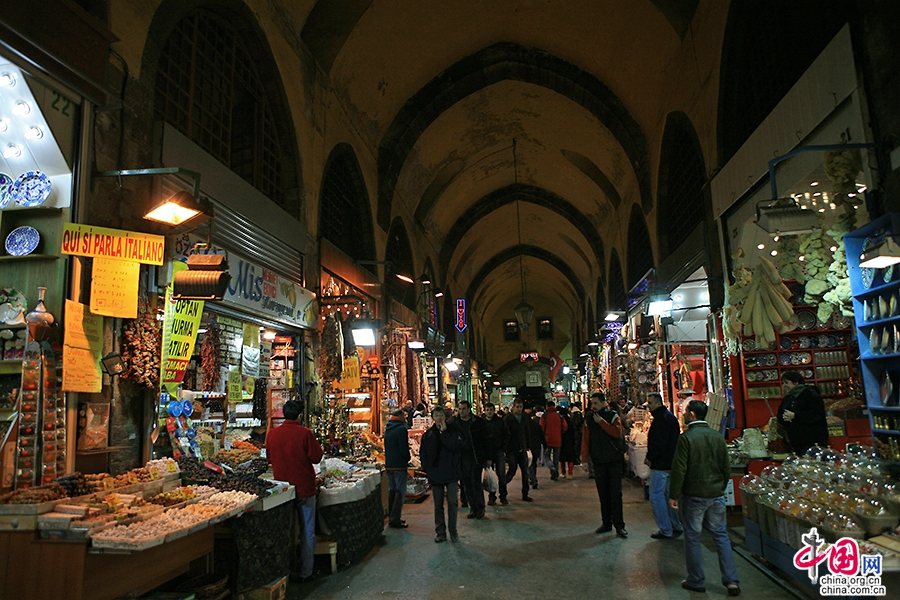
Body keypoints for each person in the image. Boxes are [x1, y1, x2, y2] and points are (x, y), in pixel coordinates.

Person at [669, 400, 741, 596]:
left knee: (692, 537)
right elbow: (726, 467)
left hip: (694, 495)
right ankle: (731, 580)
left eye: (685, 412)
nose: (683, 415)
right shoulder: (717, 437)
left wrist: (674, 494)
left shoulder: (686, 438)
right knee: (721, 535)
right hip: (716, 494)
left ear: (692, 414)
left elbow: (680, 469)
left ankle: (696, 579)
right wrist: (719, 485)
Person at [265, 400, 324, 581]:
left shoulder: (273, 435)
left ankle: (283, 570)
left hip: (283, 489)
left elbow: (269, 458)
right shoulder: (305, 434)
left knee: (285, 530)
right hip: (305, 488)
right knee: (307, 531)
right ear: (299, 415)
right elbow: (316, 457)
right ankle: (306, 572)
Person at [583, 391, 626, 538]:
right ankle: (606, 523)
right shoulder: (588, 420)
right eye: (592, 403)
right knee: (603, 494)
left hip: (614, 461)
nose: (593, 406)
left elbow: (616, 433)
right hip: (599, 461)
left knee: (615, 494)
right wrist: (584, 460)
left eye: (596, 403)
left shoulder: (612, 416)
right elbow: (586, 440)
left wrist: (600, 421)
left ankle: (619, 525)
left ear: (603, 403)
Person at [420, 406, 463, 543]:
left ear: (445, 417)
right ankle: (440, 532)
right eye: (436, 415)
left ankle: (453, 531)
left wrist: (444, 433)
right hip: (436, 474)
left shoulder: (453, 431)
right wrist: (428, 469)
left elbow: (455, 447)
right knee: (438, 505)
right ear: (432, 417)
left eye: (441, 415)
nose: (439, 418)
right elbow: (424, 454)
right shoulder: (428, 435)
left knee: (452, 502)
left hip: (451, 473)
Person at [644, 393, 683, 539]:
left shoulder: (661, 420)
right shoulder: (670, 417)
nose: (649, 406)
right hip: (671, 463)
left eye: (650, 403)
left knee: (656, 495)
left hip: (660, 464)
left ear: (657, 403)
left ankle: (665, 529)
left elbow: (658, 444)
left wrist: (650, 457)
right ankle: (675, 524)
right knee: (668, 494)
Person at [777, 370, 829, 455]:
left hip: (813, 441)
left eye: (786, 383)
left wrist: (795, 416)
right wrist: (784, 417)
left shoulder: (811, 394)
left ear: (796, 382)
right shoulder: (788, 398)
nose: (784, 386)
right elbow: (780, 414)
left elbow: (817, 414)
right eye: (783, 383)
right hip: (796, 443)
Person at [456, 400, 489, 519]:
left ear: (469, 409)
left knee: (475, 482)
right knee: (466, 484)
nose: (461, 411)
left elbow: (485, 440)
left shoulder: (478, 422)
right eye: (459, 409)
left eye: (463, 409)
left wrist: (487, 458)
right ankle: (472, 508)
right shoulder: (455, 423)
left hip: (476, 457)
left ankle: (480, 508)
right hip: (462, 457)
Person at [384, 408, 411, 529]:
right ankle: (395, 519)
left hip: (389, 464)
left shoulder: (388, 428)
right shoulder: (401, 429)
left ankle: (392, 517)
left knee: (392, 492)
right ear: (400, 417)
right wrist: (407, 459)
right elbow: (403, 448)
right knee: (400, 493)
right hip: (399, 465)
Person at [503, 397, 533, 502]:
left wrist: (528, 445)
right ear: (513, 407)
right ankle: (503, 488)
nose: (519, 409)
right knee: (512, 470)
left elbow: (527, 432)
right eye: (518, 407)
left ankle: (525, 493)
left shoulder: (525, 418)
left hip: (522, 448)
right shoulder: (508, 419)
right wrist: (505, 448)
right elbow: (505, 434)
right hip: (512, 449)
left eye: (521, 407)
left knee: (525, 472)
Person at [482, 402, 510, 505]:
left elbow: (506, 435)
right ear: (485, 411)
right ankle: (492, 496)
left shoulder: (500, 422)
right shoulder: (482, 423)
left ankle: (503, 496)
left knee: (501, 474)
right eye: (487, 410)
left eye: (491, 410)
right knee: (490, 476)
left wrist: (503, 448)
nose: (489, 412)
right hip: (487, 453)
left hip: (498, 451)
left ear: (494, 411)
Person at [540, 401, 568, 480]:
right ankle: (556, 474)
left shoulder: (545, 416)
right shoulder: (559, 416)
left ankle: (552, 468)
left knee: (546, 456)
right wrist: (560, 432)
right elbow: (565, 427)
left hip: (547, 439)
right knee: (556, 458)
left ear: (547, 406)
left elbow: (541, 427)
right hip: (558, 439)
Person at [526, 407, 545, 489]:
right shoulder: (536, 424)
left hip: (528, 447)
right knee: (533, 463)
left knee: (530, 464)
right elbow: (541, 435)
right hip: (536, 446)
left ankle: (533, 479)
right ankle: (533, 478)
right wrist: (545, 444)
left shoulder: (524, 425)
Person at [558, 406, 577, 479]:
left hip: (562, 441)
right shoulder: (570, 420)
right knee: (570, 458)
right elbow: (573, 432)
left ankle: (563, 473)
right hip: (570, 441)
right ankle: (570, 474)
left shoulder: (560, 421)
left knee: (562, 458)